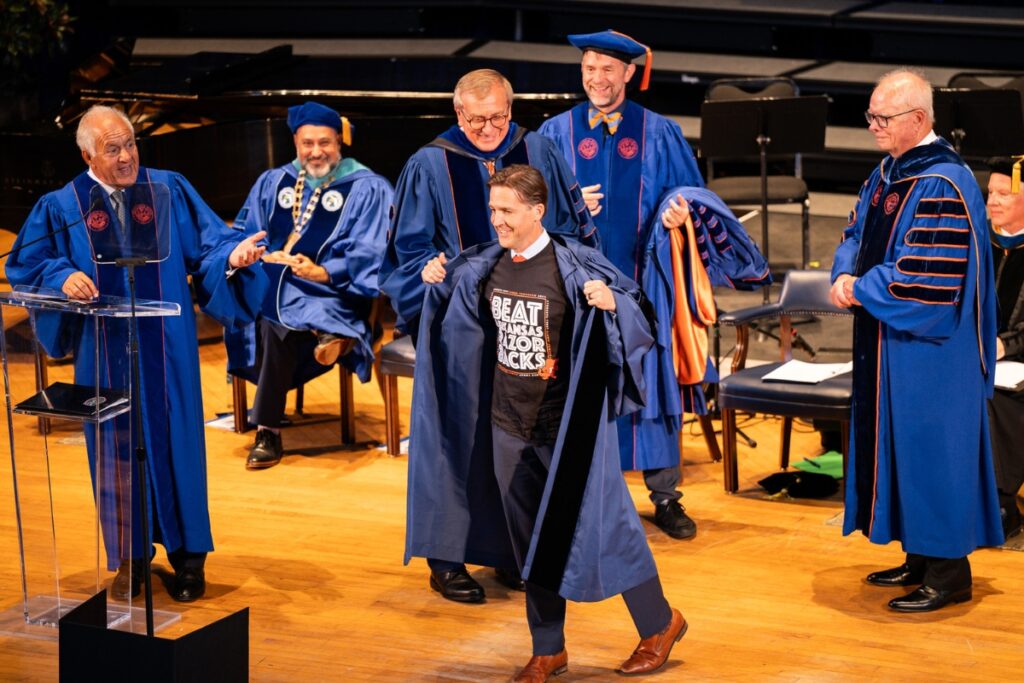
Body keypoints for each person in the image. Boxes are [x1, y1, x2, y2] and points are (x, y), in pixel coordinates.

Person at [409, 165, 686, 680]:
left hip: (569, 428)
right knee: (528, 540)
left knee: (610, 528)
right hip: (507, 426)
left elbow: (640, 314)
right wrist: (434, 280)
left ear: (537, 211)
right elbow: (451, 317)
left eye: (507, 211)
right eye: (493, 210)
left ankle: (659, 622)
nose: (497, 221)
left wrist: (613, 304)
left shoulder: (574, 266)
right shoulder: (485, 266)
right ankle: (548, 648)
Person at [5, 105, 267, 602]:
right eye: (113, 149)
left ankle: (189, 559)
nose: (126, 157)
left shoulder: (167, 190)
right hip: (102, 353)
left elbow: (211, 246)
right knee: (112, 453)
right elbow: (29, 261)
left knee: (180, 446)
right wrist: (62, 276)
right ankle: (130, 559)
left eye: (130, 144)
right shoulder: (64, 206)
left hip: (168, 351)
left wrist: (232, 256)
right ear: (87, 154)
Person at [380, 68, 596, 603]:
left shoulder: (537, 148)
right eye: (476, 120)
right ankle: (446, 558)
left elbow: (568, 228)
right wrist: (426, 270)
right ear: (458, 114)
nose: (488, 129)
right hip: (462, 322)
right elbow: (404, 255)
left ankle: (511, 552)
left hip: (529, 316)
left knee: (517, 436)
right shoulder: (430, 162)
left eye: (498, 117)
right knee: (457, 433)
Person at [829, 69, 1003, 612]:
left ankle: (950, 572)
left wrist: (859, 287)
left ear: (919, 120)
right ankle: (919, 556)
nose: (873, 127)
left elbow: (925, 276)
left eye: (884, 118)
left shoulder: (944, 183)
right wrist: (841, 274)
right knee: (898, 449)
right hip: (888, 342)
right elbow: (854, 232)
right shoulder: (887, 172)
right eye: (871, 116)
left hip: (931, 354)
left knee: (931, 455)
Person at [538, 30, 709, 540]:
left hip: (643, 287)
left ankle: (666, 496)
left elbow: (693, 197)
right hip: (578, 290)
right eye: (589, 68)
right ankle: (587, 497)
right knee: (584, 389)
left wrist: (682, 212)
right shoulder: (554, 134)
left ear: (629, 74)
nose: (597, 79)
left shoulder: (659, 132)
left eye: (608, 69)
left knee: (650, 385)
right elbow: (525, 209)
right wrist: (567, 209)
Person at [226, 102, 393, 469]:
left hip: (333, 292)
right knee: (270, 311)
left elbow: (371, 249)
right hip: (274, 283)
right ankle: (327, 334)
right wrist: (257, 254)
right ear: (295, 143)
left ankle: (267, 429)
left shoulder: (367, 187)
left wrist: (324, 271)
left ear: (339, 143)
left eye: (324, 143)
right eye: (307, 144)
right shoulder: (273, 181)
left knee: (274, 321)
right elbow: (244, 231)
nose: (316, 152)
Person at [984, 156, 1024, 539]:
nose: (993, 201)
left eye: (1004, 194)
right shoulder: (979, 243)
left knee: (994, 397)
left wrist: (1005, 345)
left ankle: (1002, 502)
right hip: (979, 356)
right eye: (990, 193)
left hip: (1018, 365)